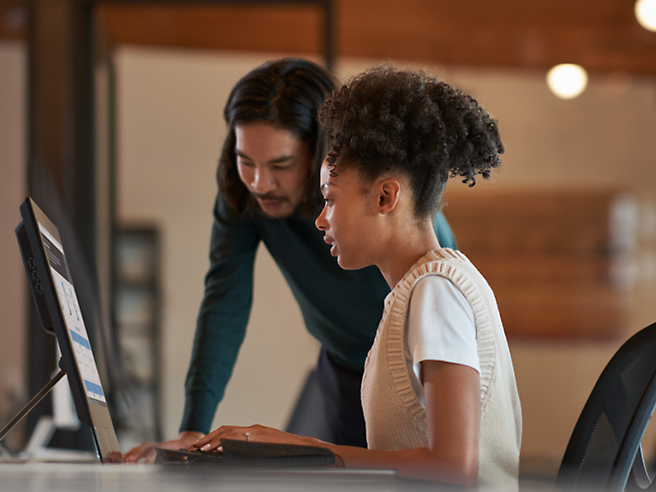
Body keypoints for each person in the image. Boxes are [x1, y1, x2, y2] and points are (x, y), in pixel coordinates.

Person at [191, 66, 522, 487]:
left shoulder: (436, 293)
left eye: (329, 199)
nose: (318, 220)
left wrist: (305, 448)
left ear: (385, 196)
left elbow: (455, 468)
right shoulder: (417, 292)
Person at [124, 58, 457, 462]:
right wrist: (192, 428)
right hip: (341, 366)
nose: (261, 183)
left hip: (412, 372)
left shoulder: (397, 225)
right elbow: (224, 299)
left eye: (281, 165)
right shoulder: (243, 194)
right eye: (246, 160)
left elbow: (453, 462)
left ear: (323, 153)